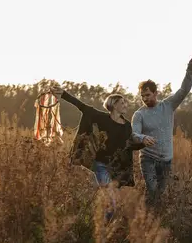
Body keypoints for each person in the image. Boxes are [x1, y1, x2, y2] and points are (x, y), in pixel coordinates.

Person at [50, 85, 145, 218]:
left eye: (125, 102)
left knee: (112, 202)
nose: (125, 105)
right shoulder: (102, 118)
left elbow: (128, 146)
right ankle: (104, 228)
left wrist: (143, 144)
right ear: (113, 105)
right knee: (110, 200)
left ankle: (100, 223)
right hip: (101, 165)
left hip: (116, 168)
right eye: (122, 102)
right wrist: (64, 94)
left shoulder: (126, 125)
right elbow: (83, 107)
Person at [131, 56, 192, 207]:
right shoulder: (139, 114)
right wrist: (142, 138)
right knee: (153, 189)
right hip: (147, 158)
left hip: (166, 160)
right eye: (142, 96)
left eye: (147, 95)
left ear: (156, 93)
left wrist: (190, 69)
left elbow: (184, 90)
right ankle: (146, 220)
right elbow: (134, 134)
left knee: (159, 195)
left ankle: (151, 218)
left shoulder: (168, 105)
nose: (144, 99)